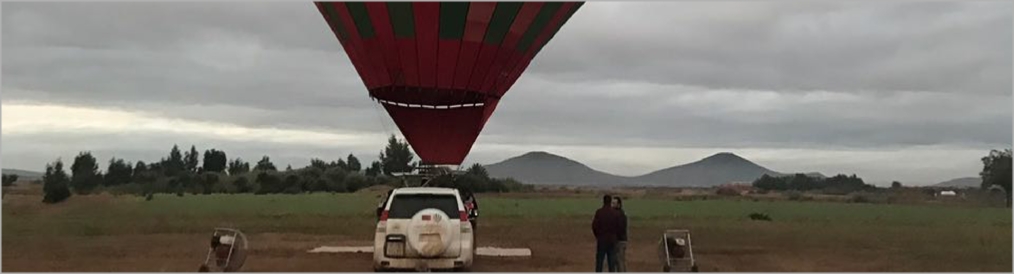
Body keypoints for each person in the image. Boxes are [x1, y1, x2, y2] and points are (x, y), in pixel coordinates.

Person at [592, 194, 621, 272]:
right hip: (612, 240)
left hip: (602, 239)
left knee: (600, 261)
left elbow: (594, 226)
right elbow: (619, 227)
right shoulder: (615, 213)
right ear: (610, 202)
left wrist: (597, 235)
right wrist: (616, 236)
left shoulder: (599, 212)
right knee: (611, 261)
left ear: (603, 201)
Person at [613, 197, 628, 272]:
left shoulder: (620, 214)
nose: (612, 205)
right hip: (619, 240)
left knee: (620, 261)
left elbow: (620, 228)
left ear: (619, 204)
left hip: (620, 241)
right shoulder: (620, 213)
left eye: (614, 203)